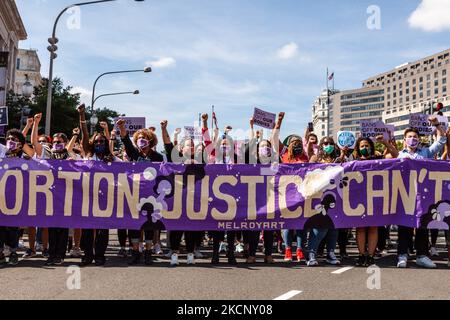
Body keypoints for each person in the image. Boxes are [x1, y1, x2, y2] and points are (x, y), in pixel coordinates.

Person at [396, 119, 446, 269]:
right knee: (404, 225)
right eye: (410, 137)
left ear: (419, 140)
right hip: (405, 195)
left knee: (422, 226)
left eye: (415, 137)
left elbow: (442, 141)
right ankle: (402, 255)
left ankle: (422, 256)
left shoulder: (426, 152)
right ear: (404, 140)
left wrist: (437, 125)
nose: (413, 139)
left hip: (423, 197)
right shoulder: (399, 155)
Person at [117, 117, 163, 265]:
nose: (141, 140)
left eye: (144, 138)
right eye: (139, 138)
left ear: (150, 140)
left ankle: (148, 252)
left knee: (150, 225)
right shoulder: (133, 154)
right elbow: (125, 140)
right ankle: (136, 251)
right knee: (134, 225)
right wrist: (122, 127)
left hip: (151, 196)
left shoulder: (158, 157)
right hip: (134, 194)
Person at [78, 105, 120, 266]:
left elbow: (127, 169)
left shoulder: (112, 159)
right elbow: (85, 133)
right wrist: (82, 115)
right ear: (92, 143)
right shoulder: (88, 155)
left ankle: (100, 255)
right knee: (87, 228)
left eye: (103, 141)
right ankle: (87, 254)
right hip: (88, 196)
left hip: (105, 198)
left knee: (103, 228)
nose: (100, 143)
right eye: (97, 141)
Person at [160, 118, 202, 266]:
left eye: (192, 146)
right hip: (176, 199)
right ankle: (175, 254)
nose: (190, 148)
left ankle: (190, 254)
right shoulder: (175, 158)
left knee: (191, 227)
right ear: (181, 148)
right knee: (176, 226)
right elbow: (167, 144)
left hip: (193, 200)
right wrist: (164, 129)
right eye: (188, 145)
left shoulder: (200, 160)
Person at [353, 135, 398, 267]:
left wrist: (385, 143)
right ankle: (361, 255)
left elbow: (396, 155)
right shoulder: (353, 162)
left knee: (373, 228)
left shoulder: (378, 160)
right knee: (360, 228)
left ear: (371, 147)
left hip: (375, 198)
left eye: (367, 145)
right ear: (358, 148)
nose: (365, 148)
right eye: (362, 146)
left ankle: (371, 256)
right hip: (358, 199)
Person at [306, 137, 346, 266]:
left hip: (336, 197)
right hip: (319, 197)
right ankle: (311, 253)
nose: (328, 146)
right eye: (325, 143)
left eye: (331, 144)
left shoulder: (338, 159)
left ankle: (330, 253)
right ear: (321, 146)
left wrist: (343, 155)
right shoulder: (315, 158)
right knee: (320, 226)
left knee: (334, 227)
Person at [274, 113, 308, 262]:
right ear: (289, 144)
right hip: (286, 194)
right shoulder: (285, 153)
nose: (296, 143)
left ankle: (299, 250)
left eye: (299, 141)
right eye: (293, 141)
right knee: (287, 224)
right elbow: (274, 139)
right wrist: (279, 122)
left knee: (300, 224)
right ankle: (288, 249)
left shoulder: (305, 156)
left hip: (302, 194)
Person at [0, 128, 35, 266]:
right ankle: (1, 252)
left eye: (13, 140)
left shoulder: (25, 159)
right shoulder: (2, 155)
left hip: (17, 198)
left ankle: (13, 251)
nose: (10, 141)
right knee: (1, 226)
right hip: (1, 197)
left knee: (13, 226)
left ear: (21, 144)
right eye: (8, 139)